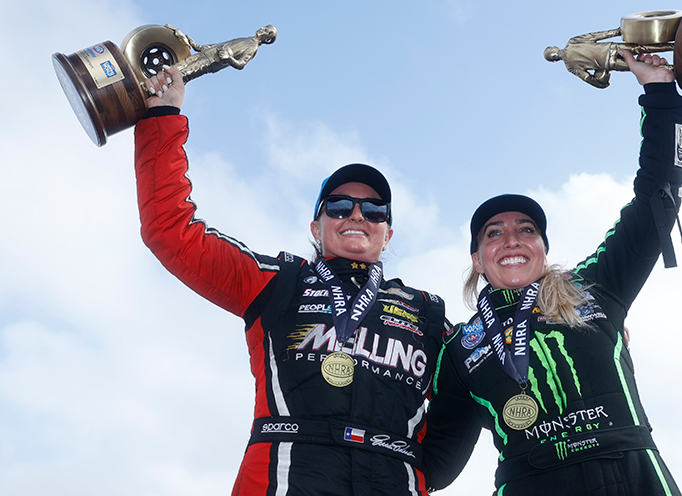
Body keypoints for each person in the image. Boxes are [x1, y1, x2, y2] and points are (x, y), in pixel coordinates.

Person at [135, 65, 448, 496]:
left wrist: (421, 468)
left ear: (387, 234)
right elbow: (171, 231)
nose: (357, 215)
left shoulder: (427, 312)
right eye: (339, 206)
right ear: (316, 227)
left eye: (374, 211)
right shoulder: (277, 282)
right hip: (283, 477)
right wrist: (162, 118)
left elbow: (484, 383)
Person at [422, 50, 682, 496]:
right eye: (493, 234)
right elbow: (437, 464)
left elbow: (657, 199)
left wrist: (661, 94)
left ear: (543, 250)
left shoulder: (592, 288)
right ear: (477, 259)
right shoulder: (459, 349)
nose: (511, 240)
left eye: (527, 230)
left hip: (633, 474)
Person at [544, 30, 671, 88]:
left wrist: (603, 82)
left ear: (555, 60)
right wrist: (617, 32)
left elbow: (589, 78)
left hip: (610, 63)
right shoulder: (572, 42)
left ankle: (674, 69)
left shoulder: (570, 66)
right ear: (555, 48)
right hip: (612, 48)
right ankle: (674, 46)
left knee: (645, 68)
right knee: (642, 48)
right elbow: (595, 36)